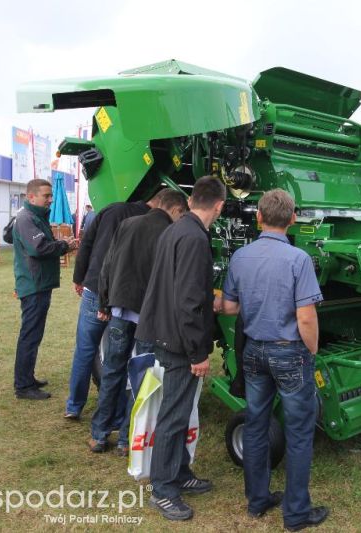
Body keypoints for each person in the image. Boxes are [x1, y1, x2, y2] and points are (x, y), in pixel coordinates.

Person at [221, 189, 328, 531]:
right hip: (289, 352)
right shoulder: (298, 260)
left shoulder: (240, 256)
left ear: (259, 217)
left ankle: (257, 500)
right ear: (293, 218)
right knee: (298, 433)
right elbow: (307, 318)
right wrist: (310, 350)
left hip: (254, 351)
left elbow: (230, 307)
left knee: (255, 425)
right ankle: (296, 514)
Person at [136, 176, 226, 521]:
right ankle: (163, 489)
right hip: (177, 340)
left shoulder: (178, 229)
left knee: (182, 408)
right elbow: (189, 303)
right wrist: (198, 353)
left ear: (191, 200)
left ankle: (180, 473)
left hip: (166, 332)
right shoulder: (192, 238)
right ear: (219, 206)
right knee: (174, 414)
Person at [89, 189, 188, 454]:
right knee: (142, 376)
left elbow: (106, 266)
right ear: (176, 210)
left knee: (112, 370)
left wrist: (103, 302)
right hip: (149, 315)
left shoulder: (127, 224)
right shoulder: (171, 234)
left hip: (120, 309)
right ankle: (127, 438)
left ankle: (99, 433)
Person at [65, 192, 167, 419]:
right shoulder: (154, 224)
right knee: (120, 356)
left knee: (86, 349)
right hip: (124, 296)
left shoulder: (113, 209)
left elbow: (87, 243)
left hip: (94, 287)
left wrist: (78, 277)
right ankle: (120, 412)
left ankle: (74, 406)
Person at [13, 179, 78, 400]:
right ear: (31, 197)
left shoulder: (33, 216)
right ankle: (23, 385)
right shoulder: (26, 218)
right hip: (33, 285)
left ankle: (27, 378)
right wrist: (64, 245)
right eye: (46, 196)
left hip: (37, 283)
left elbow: (38, 243)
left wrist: (59, 243)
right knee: (30, 335)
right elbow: (38, 248)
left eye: (51, 196)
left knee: (33, 334)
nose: (50, 200)